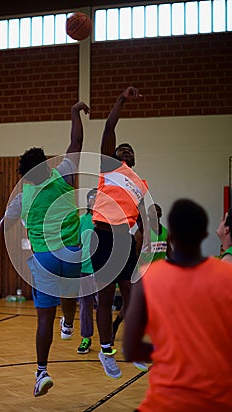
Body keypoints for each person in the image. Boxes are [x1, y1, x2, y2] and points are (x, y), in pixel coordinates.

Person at [123, 199, 232, 412]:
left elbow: (131, 349)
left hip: (169, 406)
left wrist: (173, 353)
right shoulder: (228, 276)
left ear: (169, 233)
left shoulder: (148, 281)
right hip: (221, 407)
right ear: (205, 234)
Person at [18, 101, 90, 397]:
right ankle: (70, 324)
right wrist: (74, 114)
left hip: (45, 258)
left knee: (43, 317)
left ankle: (42, 372)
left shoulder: (25, 193)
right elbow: (76, 141)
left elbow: (16, 221)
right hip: (71, 252)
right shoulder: (62, 175)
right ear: (46, 164)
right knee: (70, 294)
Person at [90, 86, 149, 379]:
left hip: (124, 240)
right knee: (104, 294)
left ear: (135, 159)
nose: (124, 149)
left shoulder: (140, 183)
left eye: (129, 149)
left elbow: (140, 218)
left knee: (132, 295)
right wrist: (122, 99)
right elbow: (109, 125)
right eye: (120, 148)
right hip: (102, 235)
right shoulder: (108, 166)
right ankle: (106, 350)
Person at [111, 204, 170, 363]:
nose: (155, 216)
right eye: (152, 213)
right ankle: (118, 327)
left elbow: (169, 252)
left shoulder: (165, 233)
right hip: (142, 275)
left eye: (158, 213)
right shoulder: (142, 233)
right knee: (134, 308)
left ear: (160, 215)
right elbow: (134, 253)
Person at [77, 188, 98, 354]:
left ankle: (107, 341)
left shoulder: (107, 222)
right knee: (85, 306)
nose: (96, 201)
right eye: (93, 199)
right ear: (88, 202)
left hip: (102, 270)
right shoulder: (82, 220)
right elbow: (76, 245)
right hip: (84, 268)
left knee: (104, 306)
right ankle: (86, 338)